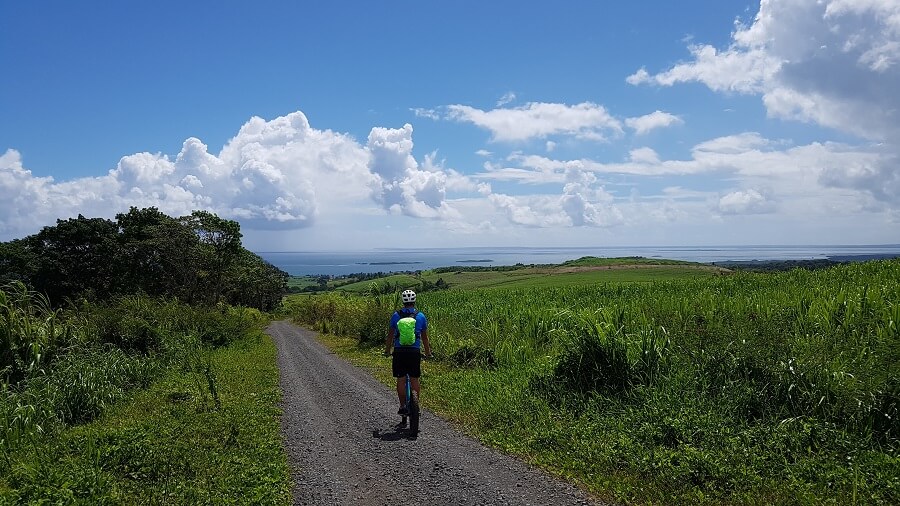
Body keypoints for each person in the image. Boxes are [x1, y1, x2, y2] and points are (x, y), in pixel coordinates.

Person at [384, 289, 432, 415]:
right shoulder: (420, 316)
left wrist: (387, 351)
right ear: (414, 301)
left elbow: (390, 336)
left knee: (401, 379)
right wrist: (428, 353)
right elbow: (425, 338)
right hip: (414, 351)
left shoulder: (396, 315)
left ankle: (402, 406)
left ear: (403, 301)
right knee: (414, 379)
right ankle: (416, 407)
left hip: (399, 351)